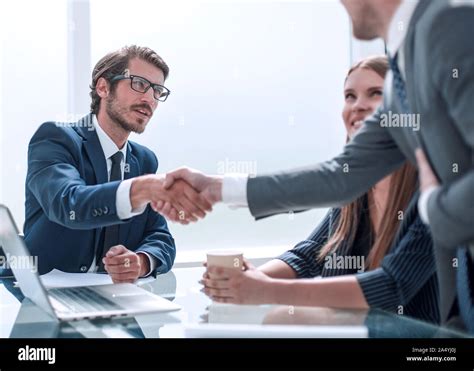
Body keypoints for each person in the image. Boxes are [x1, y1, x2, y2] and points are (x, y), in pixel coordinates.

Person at [156, 0, 474, 331]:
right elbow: (338, 179)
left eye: (371, 94)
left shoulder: (447, 25)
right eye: (349, 96)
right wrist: (215, 188)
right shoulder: (401, 80)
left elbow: (396, 281)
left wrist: (433, 203)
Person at [201, 56, 439, 323]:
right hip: (364, 330)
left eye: (375, 94)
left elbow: (392, 286)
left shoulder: (433, 192)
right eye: (350, 96)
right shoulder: (354, 190)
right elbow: (309, 255)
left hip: (427, 346)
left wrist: (265, 289)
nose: (358, 105)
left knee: (286, 318)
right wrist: (245, 280)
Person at [24, 45, 211, 281]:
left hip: (113, 299)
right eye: (140, 84)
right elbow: (69, 203)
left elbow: (159, 235)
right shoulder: (57, 138)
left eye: (157, 91)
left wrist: (141, 262)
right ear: (103, 87)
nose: (150, 99)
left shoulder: (144, 160)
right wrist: (141, 189)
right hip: (43, 294)